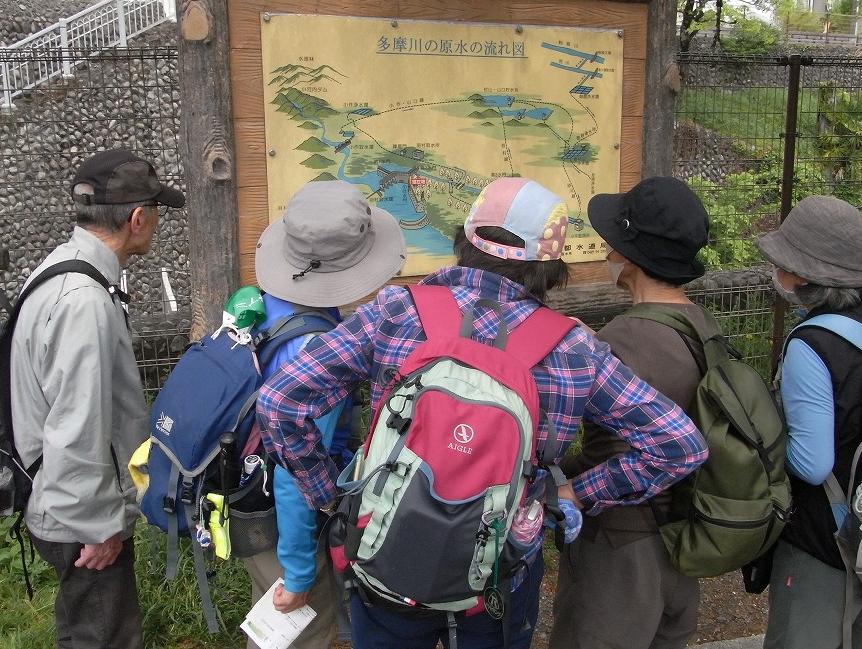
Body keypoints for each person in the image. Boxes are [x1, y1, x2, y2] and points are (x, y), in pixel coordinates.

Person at [256, 175, 708, 649]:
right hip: (498, 569)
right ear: (551, 264)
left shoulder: (396, 312)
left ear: (465, 238)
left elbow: (280, 400)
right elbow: (678, 446)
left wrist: (331, 496)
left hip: (383, 553)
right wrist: (574, 494)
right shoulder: (572, 349)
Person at [11, 148, 185, 649]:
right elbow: (78, 426)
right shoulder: (84, 301)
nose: (157, 222)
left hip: (56, 494)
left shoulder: (60, 268)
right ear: (137, 218)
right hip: (77, 515)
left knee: (87, 631)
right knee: (105, 637)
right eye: (156, 211)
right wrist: (98, 527)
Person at [549, 176, 712, 649]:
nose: (606, 250)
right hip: (684, 535)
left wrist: (571, 490)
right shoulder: (702, 325)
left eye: (613, 242)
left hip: (619, 546)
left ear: (631, 257)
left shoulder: (621, 339)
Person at [243, 179, 407, 649]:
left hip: (250, 492)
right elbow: (294, 468)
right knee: (302, 630)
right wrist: (298, 572)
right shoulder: (315, 345)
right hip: (287, 516)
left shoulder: (268, 304)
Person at [755, 195, 862, 649]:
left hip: (825, 537)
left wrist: (761, 439)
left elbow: (813, 465)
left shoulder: (811, 344)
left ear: (803, 275)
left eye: (783, 263)